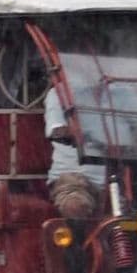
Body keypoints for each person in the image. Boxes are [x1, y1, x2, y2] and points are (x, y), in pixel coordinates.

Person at [44, 86, 105, 220]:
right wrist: (82, 135)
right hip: (76, 179)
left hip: (123, 175)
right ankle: (80, 240)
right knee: (75, 206)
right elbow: (56, 130)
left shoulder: (121, 92)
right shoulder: (60, 93)